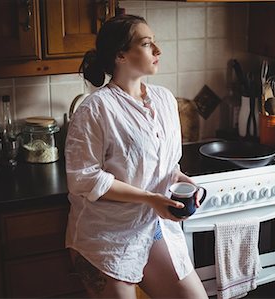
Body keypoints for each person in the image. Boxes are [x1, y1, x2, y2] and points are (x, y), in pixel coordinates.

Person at [64, 14, 208, 299]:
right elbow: (84, 179)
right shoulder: (95, 109)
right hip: (106, 238)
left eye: (154, 42)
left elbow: (167, 167)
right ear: (121, 55)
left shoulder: (165, 100)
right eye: (146, 44)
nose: (158, 51)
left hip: (153, 227)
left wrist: (186, 184)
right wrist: (150, 199)